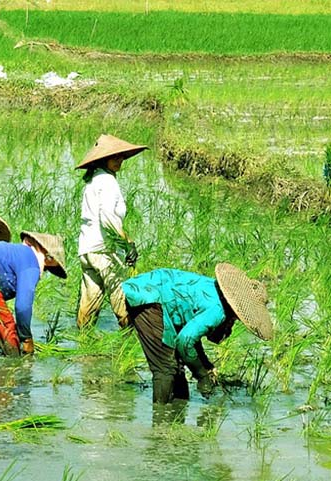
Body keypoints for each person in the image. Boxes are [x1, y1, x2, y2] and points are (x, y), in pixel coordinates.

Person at [122, 263, 273, 404]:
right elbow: (184, 341)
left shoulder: (214, 290)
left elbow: (190, 337)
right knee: (166, 368)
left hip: (153, 290)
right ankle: (161, 422)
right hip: (148, 297)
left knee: (177, 366)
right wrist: (202, 376)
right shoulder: (217, 311)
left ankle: (177, 413)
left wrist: (205, 366)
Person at [75, 134, 147, 329]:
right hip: (103, 250)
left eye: (121, 156)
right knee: (121, 296)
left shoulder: (94, 180)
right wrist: (128, 244)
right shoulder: (107, 182)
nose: (119, 160)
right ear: (103, 158)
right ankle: (129, 345)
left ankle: (83, 346)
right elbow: (108, 218)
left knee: (89, 301)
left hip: (87, 250)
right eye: (114, 156)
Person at [0, 230, 68, 356]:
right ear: (48, 256)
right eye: (50, 267)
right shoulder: (31, 263)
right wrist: (26, 338)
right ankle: (14, 365)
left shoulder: (19, 253)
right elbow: (22, 306)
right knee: (5, 324)